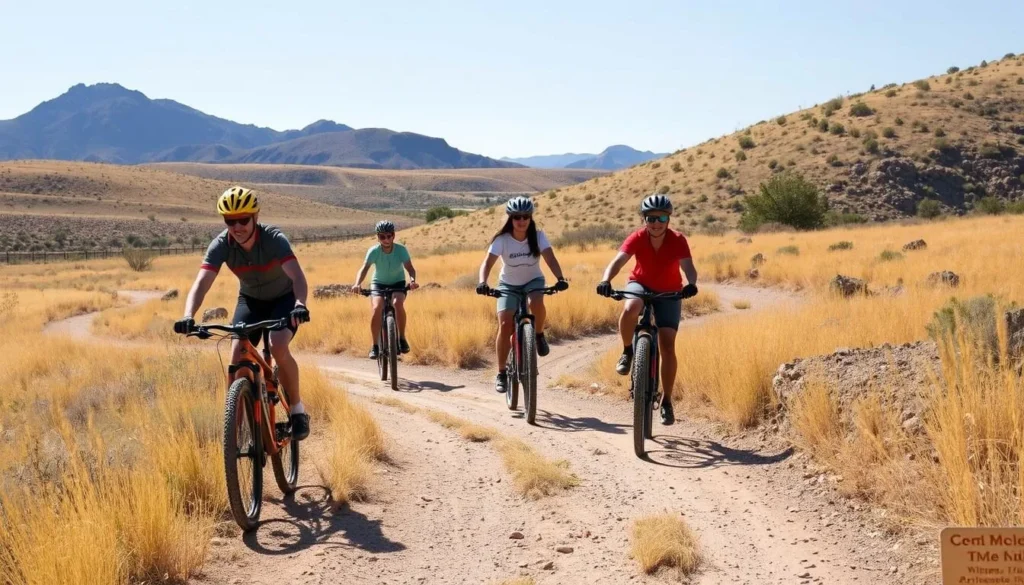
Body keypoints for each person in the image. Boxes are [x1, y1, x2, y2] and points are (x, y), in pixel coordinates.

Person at [174, 186, 312, 440]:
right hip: (250, 300)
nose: (237, 227)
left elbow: (298, 277)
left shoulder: (273, 239)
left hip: (283, 299)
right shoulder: (221, 245)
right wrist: (188, 315)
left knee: (278, 345)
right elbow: (202, 282)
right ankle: (233, 432)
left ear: (255, 217)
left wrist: (300, 304)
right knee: (237, 351)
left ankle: (297, 410)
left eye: (243, 220)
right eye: (230, 221)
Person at [595, 194, 698, 425]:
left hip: (670, 291)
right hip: (640, 284)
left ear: (668, 219)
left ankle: (667, 401)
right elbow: (618, 261)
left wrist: (691, 284)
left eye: (661, 217)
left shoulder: (678, 240)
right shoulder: (638, 237)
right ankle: (628, 351)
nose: (656, 223)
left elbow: (689, 267)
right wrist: (605, 280)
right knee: (631, 307)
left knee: (668, 344)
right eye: (651, 218)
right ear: (645, 219)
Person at [476, 196, 569, 393]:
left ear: (530, 217)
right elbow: (487, 263)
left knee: (536, 303)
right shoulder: (502, 239)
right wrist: (482, 282)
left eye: (525, 216)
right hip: (508, 285)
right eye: (517, 216)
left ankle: (539, 335)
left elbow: (550, 258)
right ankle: (501, 373)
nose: (521, 220)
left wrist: (560, 278)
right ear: (510, 218)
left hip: (533, 281)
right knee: (504, 324)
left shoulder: (538, 235)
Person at [352, 220, 419, 358]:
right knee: (377, 307)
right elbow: (364, 269)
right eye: (382, 237)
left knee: (397, 303)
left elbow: (410, 269)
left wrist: (412, 281)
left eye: (389, 236)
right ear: (378, 237)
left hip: (398, 282)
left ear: (393, 235)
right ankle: (375, 346)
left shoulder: (401, 250)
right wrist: (357, 283)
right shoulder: (373, 251)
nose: (386, 239)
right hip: (378, 283)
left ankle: (401, 338)